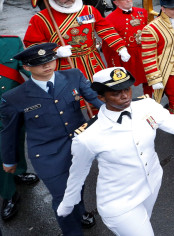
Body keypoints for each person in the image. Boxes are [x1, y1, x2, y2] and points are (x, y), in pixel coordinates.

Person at [57, 67, 174, 235]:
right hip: (119, 201)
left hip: (151, 184)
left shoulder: (146, 105)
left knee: (143, 224)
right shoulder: (88, 136)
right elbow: (78, 172)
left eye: (127, 89)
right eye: (116, 93)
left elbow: (172, 122)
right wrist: (69, 201)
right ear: (101, 96)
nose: (125, 96)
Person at [0, 43, 103, 234]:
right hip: (47, 154)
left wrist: (120, 114)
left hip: (79, 146)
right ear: (27, 67)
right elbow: (9, 132)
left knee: (77, 184)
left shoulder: (73, 76)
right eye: (39, 64)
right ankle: (72, 232)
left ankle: (80, 212)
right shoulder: (14, 97)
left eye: (50, 60)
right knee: (63, 197)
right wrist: (9, 160)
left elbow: (95, 99)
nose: (47, 66)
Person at [23, 0, 130, 80]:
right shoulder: (40, 18)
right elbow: (33, 44)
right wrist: (55, 52)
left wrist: (120, 47)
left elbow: (107, 30)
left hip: (92, 61)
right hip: (65, 65)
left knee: (100, 92)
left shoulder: (89, 10)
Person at [0, 36, 40, 221]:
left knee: (17, 138)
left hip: (13, 105)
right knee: (2, 150)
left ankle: (19, 171)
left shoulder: (11, 42)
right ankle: (9, 195)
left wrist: (45, 81)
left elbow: (26, 67)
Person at [103, 0, 152, 97]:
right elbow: (109, 42)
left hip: (143, 52)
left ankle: (149, 99)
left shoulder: (142, 12)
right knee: (125, 81)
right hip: (126, 55)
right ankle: (126, 102)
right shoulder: (109, 19)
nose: (129, 0)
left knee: (148, 78)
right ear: (116, 2)